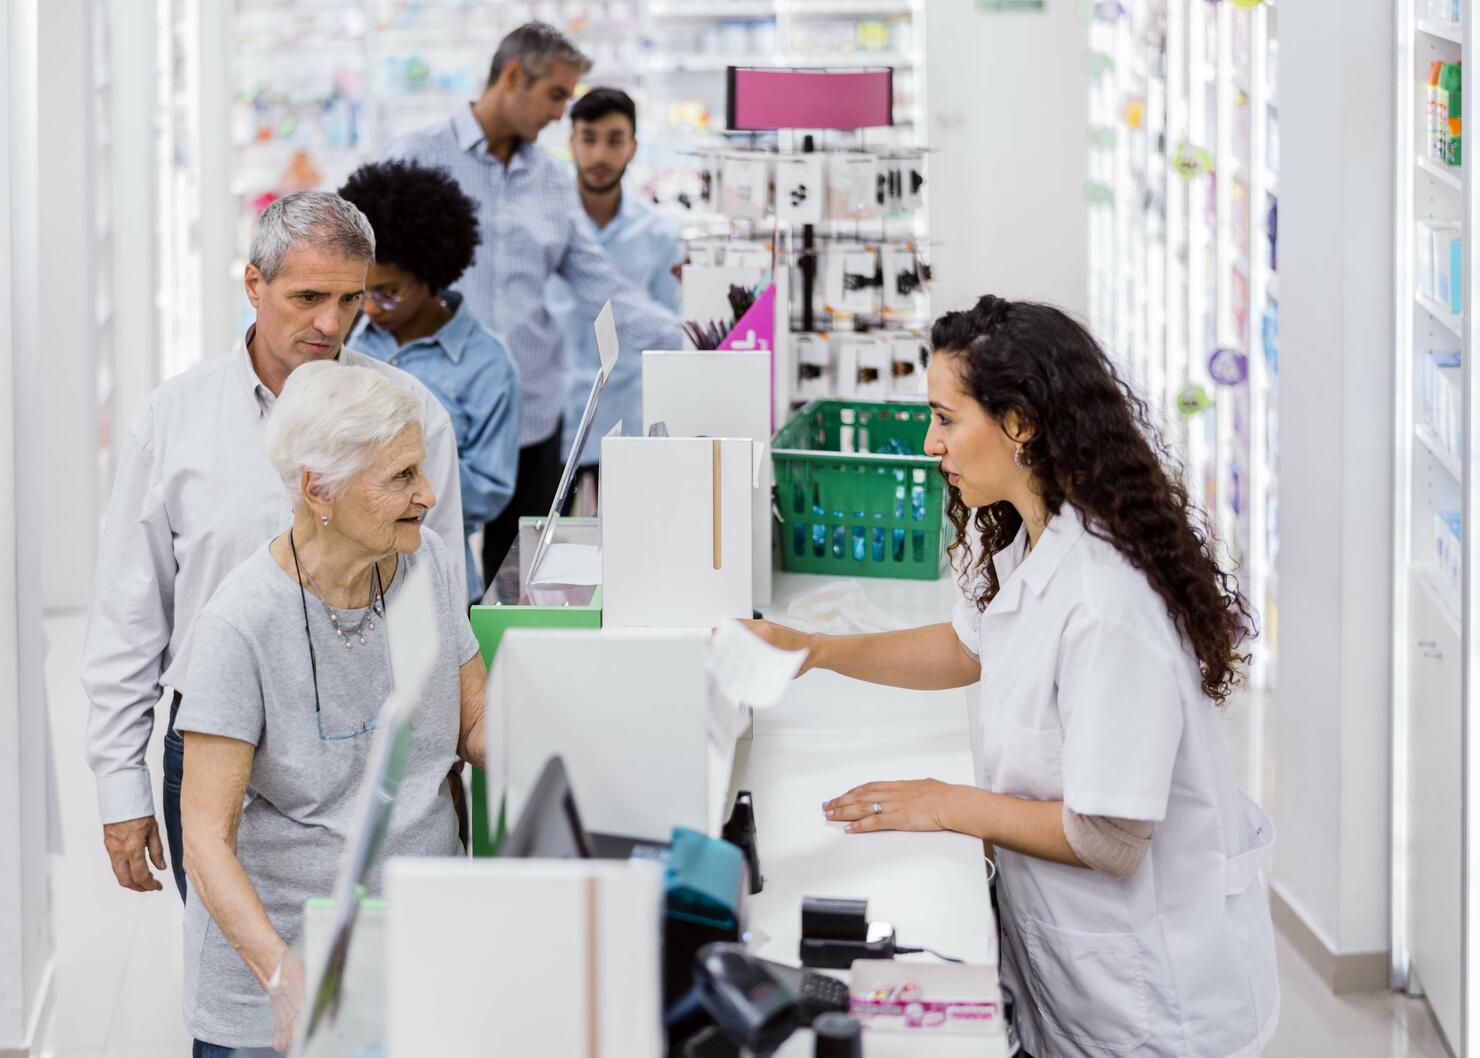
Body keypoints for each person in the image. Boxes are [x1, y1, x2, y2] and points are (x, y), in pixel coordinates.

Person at [748, 297, 1278, 1058]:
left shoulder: (1106, 603)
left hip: (1159, 1009)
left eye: (945, 418)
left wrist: (944, 806)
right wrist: (814, 650)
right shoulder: (1041, 534)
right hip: (1082, 978)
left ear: (1020, 423)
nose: (931, 444)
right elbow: (969, 648)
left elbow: (1109, 839)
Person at [81, 192, 465, 901]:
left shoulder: (413, 417)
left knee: (387, 979)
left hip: (372, 742)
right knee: (239, 973)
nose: (331, 323)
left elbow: (442, 600)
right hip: (211, 738)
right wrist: (119, 785)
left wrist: (447, 766)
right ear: (254, 284)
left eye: (352, 299)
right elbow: (129, 615)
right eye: (308, 296)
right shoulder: (176, 419)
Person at [177, 362, 488, 1056]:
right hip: (285, 990)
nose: (429, 495)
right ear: (319, 488)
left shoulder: (425, 564)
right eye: (401, 477)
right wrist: (285, 978)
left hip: (420, 953)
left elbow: (475, 724)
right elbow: (204, 840)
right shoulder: (240, 625)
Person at [382, 21, 682, 586]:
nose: (562, 111)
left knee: (521, 581)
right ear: (514, 76)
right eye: (556, 95)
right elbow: (361, 266)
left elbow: (601, 285)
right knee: (420, 568)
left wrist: (688, 337)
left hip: (533, 416)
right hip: (436, 409)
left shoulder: (548, 178)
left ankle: (507, 674)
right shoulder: (417, 156)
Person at [339, 159, 522, 601]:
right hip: (344, 578)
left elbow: (489, 490)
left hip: (437, 579)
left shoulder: (486, 364)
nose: (370, 309)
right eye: (362, 292)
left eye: (387, 293)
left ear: (432, 274)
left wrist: (395, 481)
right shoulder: (344, 341)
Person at [545, 87, 685, 500]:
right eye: (588, 139)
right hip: (557, 417)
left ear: (633, 146)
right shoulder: (548, 224)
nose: (600, 155)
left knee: (632, 543)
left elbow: (667, 335)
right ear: (572, 143)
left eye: (614, 140)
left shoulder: (660, 233)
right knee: (544, 545)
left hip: (630, 416)